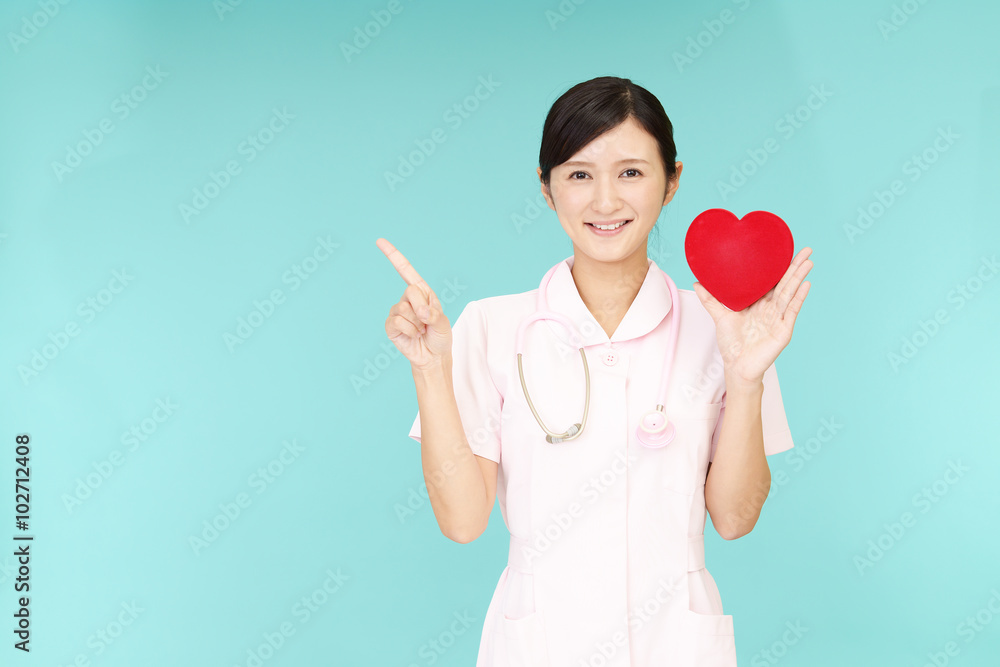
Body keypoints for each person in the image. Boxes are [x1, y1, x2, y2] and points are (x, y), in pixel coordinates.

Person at [377, 75, 813, 666]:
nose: (605, 202)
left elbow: (735, 519)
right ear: (546, 188)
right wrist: (430, 371)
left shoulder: (729, 330)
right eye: (579, 175)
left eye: (631, 172)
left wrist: (746, 378)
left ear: (672, 181)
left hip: (673, 642)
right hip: (541, 644)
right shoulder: (491, 327)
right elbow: (462, 521)